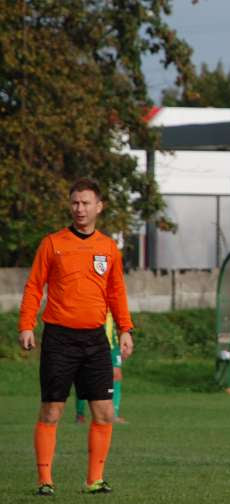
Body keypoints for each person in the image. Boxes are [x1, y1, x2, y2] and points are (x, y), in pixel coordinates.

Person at [18, 178, 134, 496]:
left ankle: (94, 479)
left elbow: (116, 291)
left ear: (99, 207)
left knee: (104, 411)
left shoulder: (108, 248)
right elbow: (33, 286)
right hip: (59, 339)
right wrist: (26, 325)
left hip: (96, 340)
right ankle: (45, 480)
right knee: (52, 411)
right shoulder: (52, 243)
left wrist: (125, 328)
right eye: (74, 203)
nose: (79, 208)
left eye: (85, 203)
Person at [75, 312, 126, 423]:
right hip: (93, 341)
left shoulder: (112, 299)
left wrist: (124, 336)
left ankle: (114, 414)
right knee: (84, 378)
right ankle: (80, 414)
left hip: (112, 345)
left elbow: (119, 318)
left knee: (116, 375)